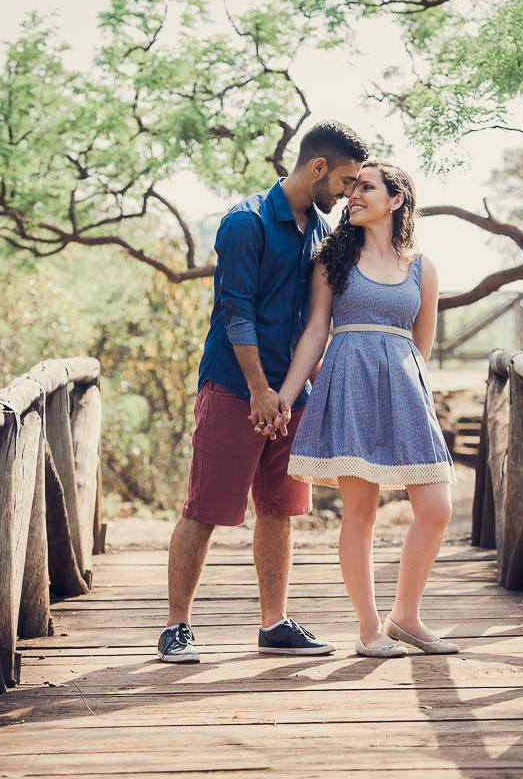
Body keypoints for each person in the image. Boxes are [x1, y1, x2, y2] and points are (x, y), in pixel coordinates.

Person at [157, 121, 369, 664]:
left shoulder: (321, 231)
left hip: (290, 397)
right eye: (346, 181)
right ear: (318, 167)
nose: (349, 193)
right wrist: (258, 390)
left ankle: (273, 623)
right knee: (203, 508)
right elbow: (236, 311)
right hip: (235, 389)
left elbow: (316, 323)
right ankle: (176, 627)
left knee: (278, 510)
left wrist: (290, 394)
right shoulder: (245, 222)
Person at [268, 160, 458, 658]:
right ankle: (370, 628)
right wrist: (286, 395)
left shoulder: (423, 267)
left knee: (436, 510)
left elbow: (421, 346)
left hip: (405, 391)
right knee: (361, 515)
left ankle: (406, 617)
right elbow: (315, 333)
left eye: (366, 187)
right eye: (351, 186)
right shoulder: (333, 259)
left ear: (396, 200)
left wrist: (401, 383)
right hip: (349, 387)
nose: (353, 194)